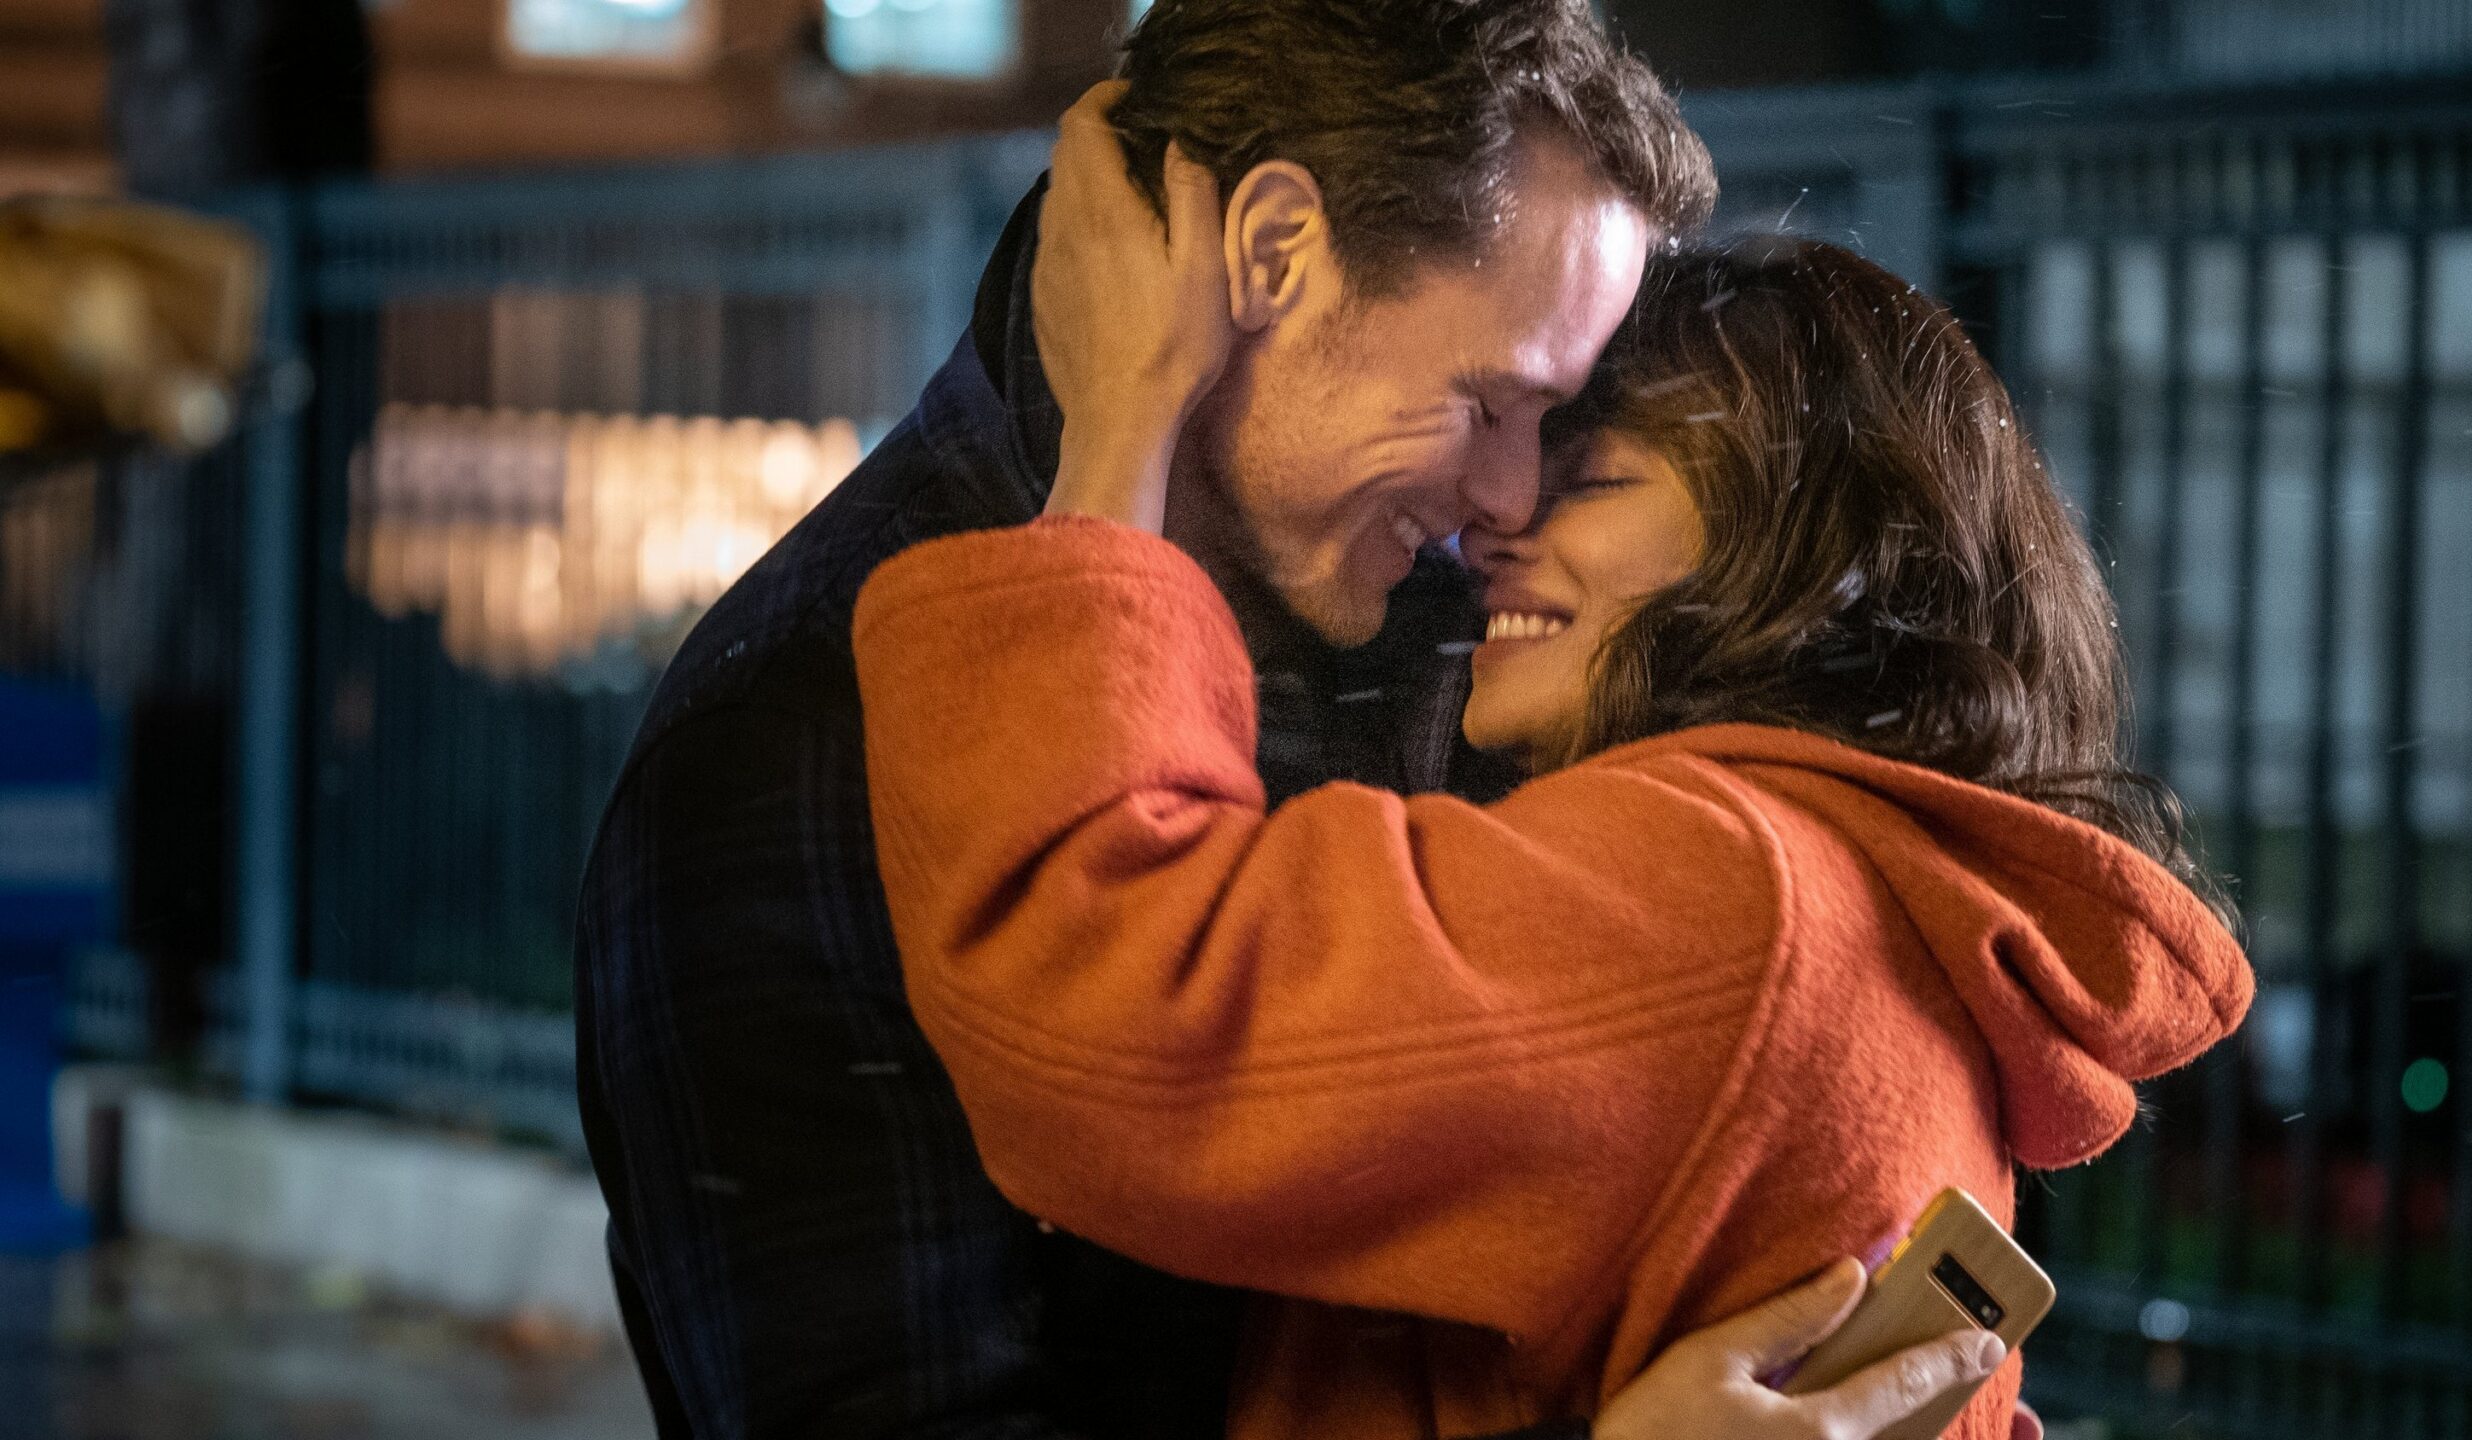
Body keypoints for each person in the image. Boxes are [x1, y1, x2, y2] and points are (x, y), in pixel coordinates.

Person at [574, 1, 2006, 1436]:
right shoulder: (782, 740)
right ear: (1269, 254)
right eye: (1488, 403)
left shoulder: (1449, 627)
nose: (1512, 502)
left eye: (1563, 434)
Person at [849, 129, 2256, 1438]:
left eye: (1591, 481)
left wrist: (1122, 430)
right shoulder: (1878, 901)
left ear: (1803, 550)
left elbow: (1110, 1021)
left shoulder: (1727, 884)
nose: (1499, 518)